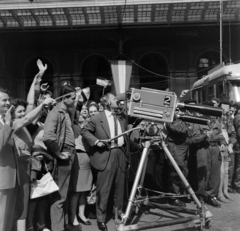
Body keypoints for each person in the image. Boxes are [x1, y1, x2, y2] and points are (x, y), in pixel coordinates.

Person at [81, 93, 139, 231]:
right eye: (114, 99)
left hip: (120, 154)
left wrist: (137, 147)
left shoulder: (122, 118)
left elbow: (125, 137)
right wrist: (96, 142)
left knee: (120, 188)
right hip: (105, 155)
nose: (117, 101)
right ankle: (101, 219)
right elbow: (84, 131)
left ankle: (118, 214)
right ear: (106, 101)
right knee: (104, 189)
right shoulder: (96, 118)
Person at [43, 84, 78, 231]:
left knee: (66, 193)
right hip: (63, 154)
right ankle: (58, 228)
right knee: (59, 196)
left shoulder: (66, 111)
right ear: (64, 98)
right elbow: (48, 137)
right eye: (73, 98)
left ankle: (64, 225)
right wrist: (58, 153)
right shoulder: (55, 112)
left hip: (70, 153)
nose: (76, 100)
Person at [68, 94, 93, 229]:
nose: (84, 112)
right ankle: (73, 217)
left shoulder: (88, 125)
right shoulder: (73, 125)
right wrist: (77, 100)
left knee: (84, 191)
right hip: (78, 158)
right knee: (76, 191)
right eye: (81, 110)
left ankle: (82, 215)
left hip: (88, 159)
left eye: (85, 110)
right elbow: (71, 113)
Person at [0, 88, 17, 231]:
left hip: (9, 177)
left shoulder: (4, 120)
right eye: (3, 100)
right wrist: (6, 124)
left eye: (8, 99)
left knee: (7, 218)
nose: (7, 103)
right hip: (1, 178)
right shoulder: (5, 122)